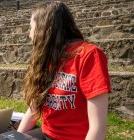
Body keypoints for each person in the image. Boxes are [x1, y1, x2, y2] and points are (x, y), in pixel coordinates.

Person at [17, 1, 111, 140]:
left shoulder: (89, 55)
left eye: (31, 27)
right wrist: (15, 137)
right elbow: (33, 110)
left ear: (44, 28)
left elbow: (98, 127)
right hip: (46, 134)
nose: (29, 34)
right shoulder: (46, 58)